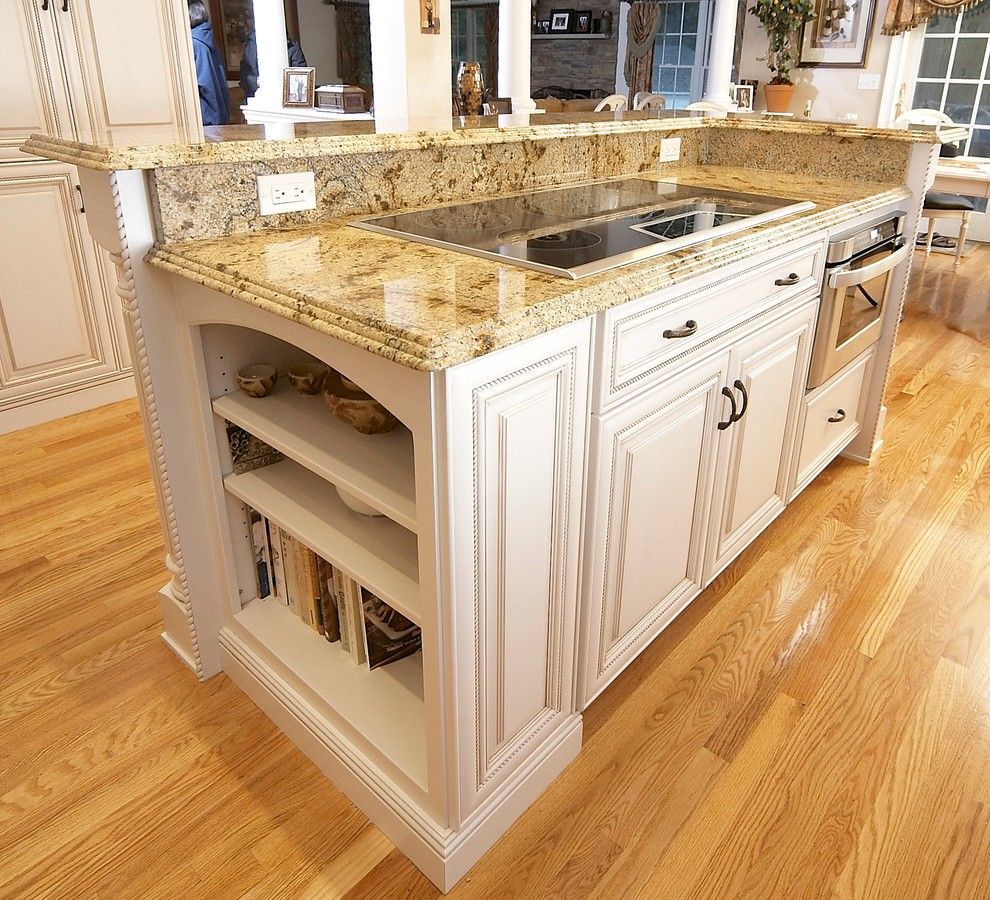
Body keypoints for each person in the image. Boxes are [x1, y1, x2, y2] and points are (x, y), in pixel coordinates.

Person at [188, 1, 230, 126]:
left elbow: (205, 84)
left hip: (207, 119)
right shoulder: (207, 40)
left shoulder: (194, 44)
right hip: (218, 115)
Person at [239, 31, 307, 100]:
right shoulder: (252, 44)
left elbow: (300, 76)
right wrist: (258, 82)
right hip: (257, 99)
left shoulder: (292, 47)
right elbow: (245, 75)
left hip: (287, 99)